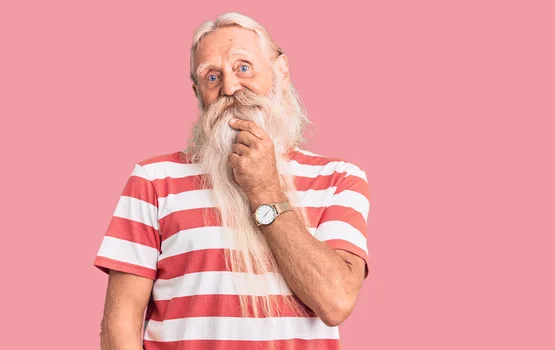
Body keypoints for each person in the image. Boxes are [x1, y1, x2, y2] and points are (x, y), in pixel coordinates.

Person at [94, 12, 371, 350]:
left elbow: (336, 302)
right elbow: (121, 321)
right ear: (198, 93)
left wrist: (264, 188)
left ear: (281, 70)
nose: (230, 88)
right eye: (212, 77)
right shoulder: (153, 180)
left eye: (244, 68)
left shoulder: (339, 179)